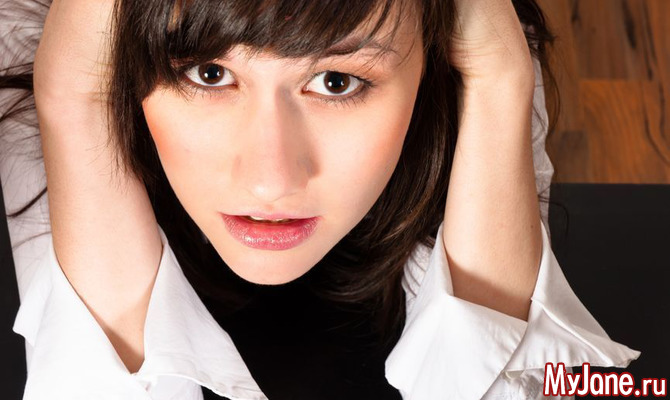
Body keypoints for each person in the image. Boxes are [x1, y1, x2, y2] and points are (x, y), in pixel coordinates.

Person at [0, 0, 639, 399]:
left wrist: (500, 79)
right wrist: (71, 98)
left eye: (336, 82)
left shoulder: (473, 59)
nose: (271, 181)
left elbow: (517, 387)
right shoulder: (49, 61)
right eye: (210, 74)